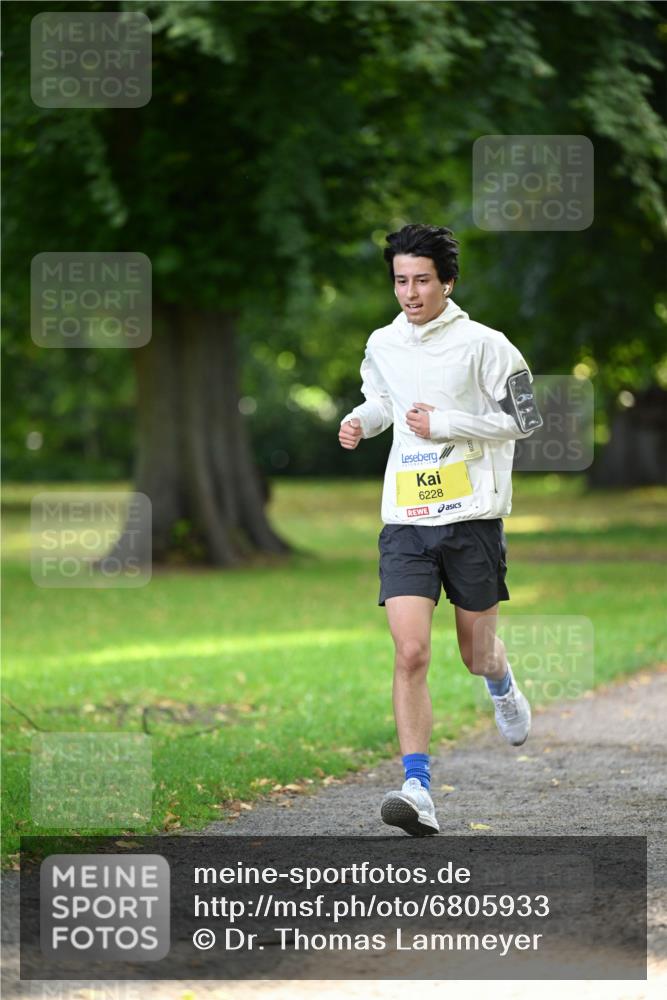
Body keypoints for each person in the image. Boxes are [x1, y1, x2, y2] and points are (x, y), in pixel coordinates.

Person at [338, 223, 542, 837]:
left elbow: (525, 417)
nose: (410, 292)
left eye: (422, 280)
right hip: (406, 518)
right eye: (400, 280)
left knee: (475, 653)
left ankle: (501, 683)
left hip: (471, 517)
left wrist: (447, 422)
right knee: (410, 651)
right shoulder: (383, 342)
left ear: (447, 281)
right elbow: (384, 404)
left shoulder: (486, 344)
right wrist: (360, 420)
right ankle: (417, 788)